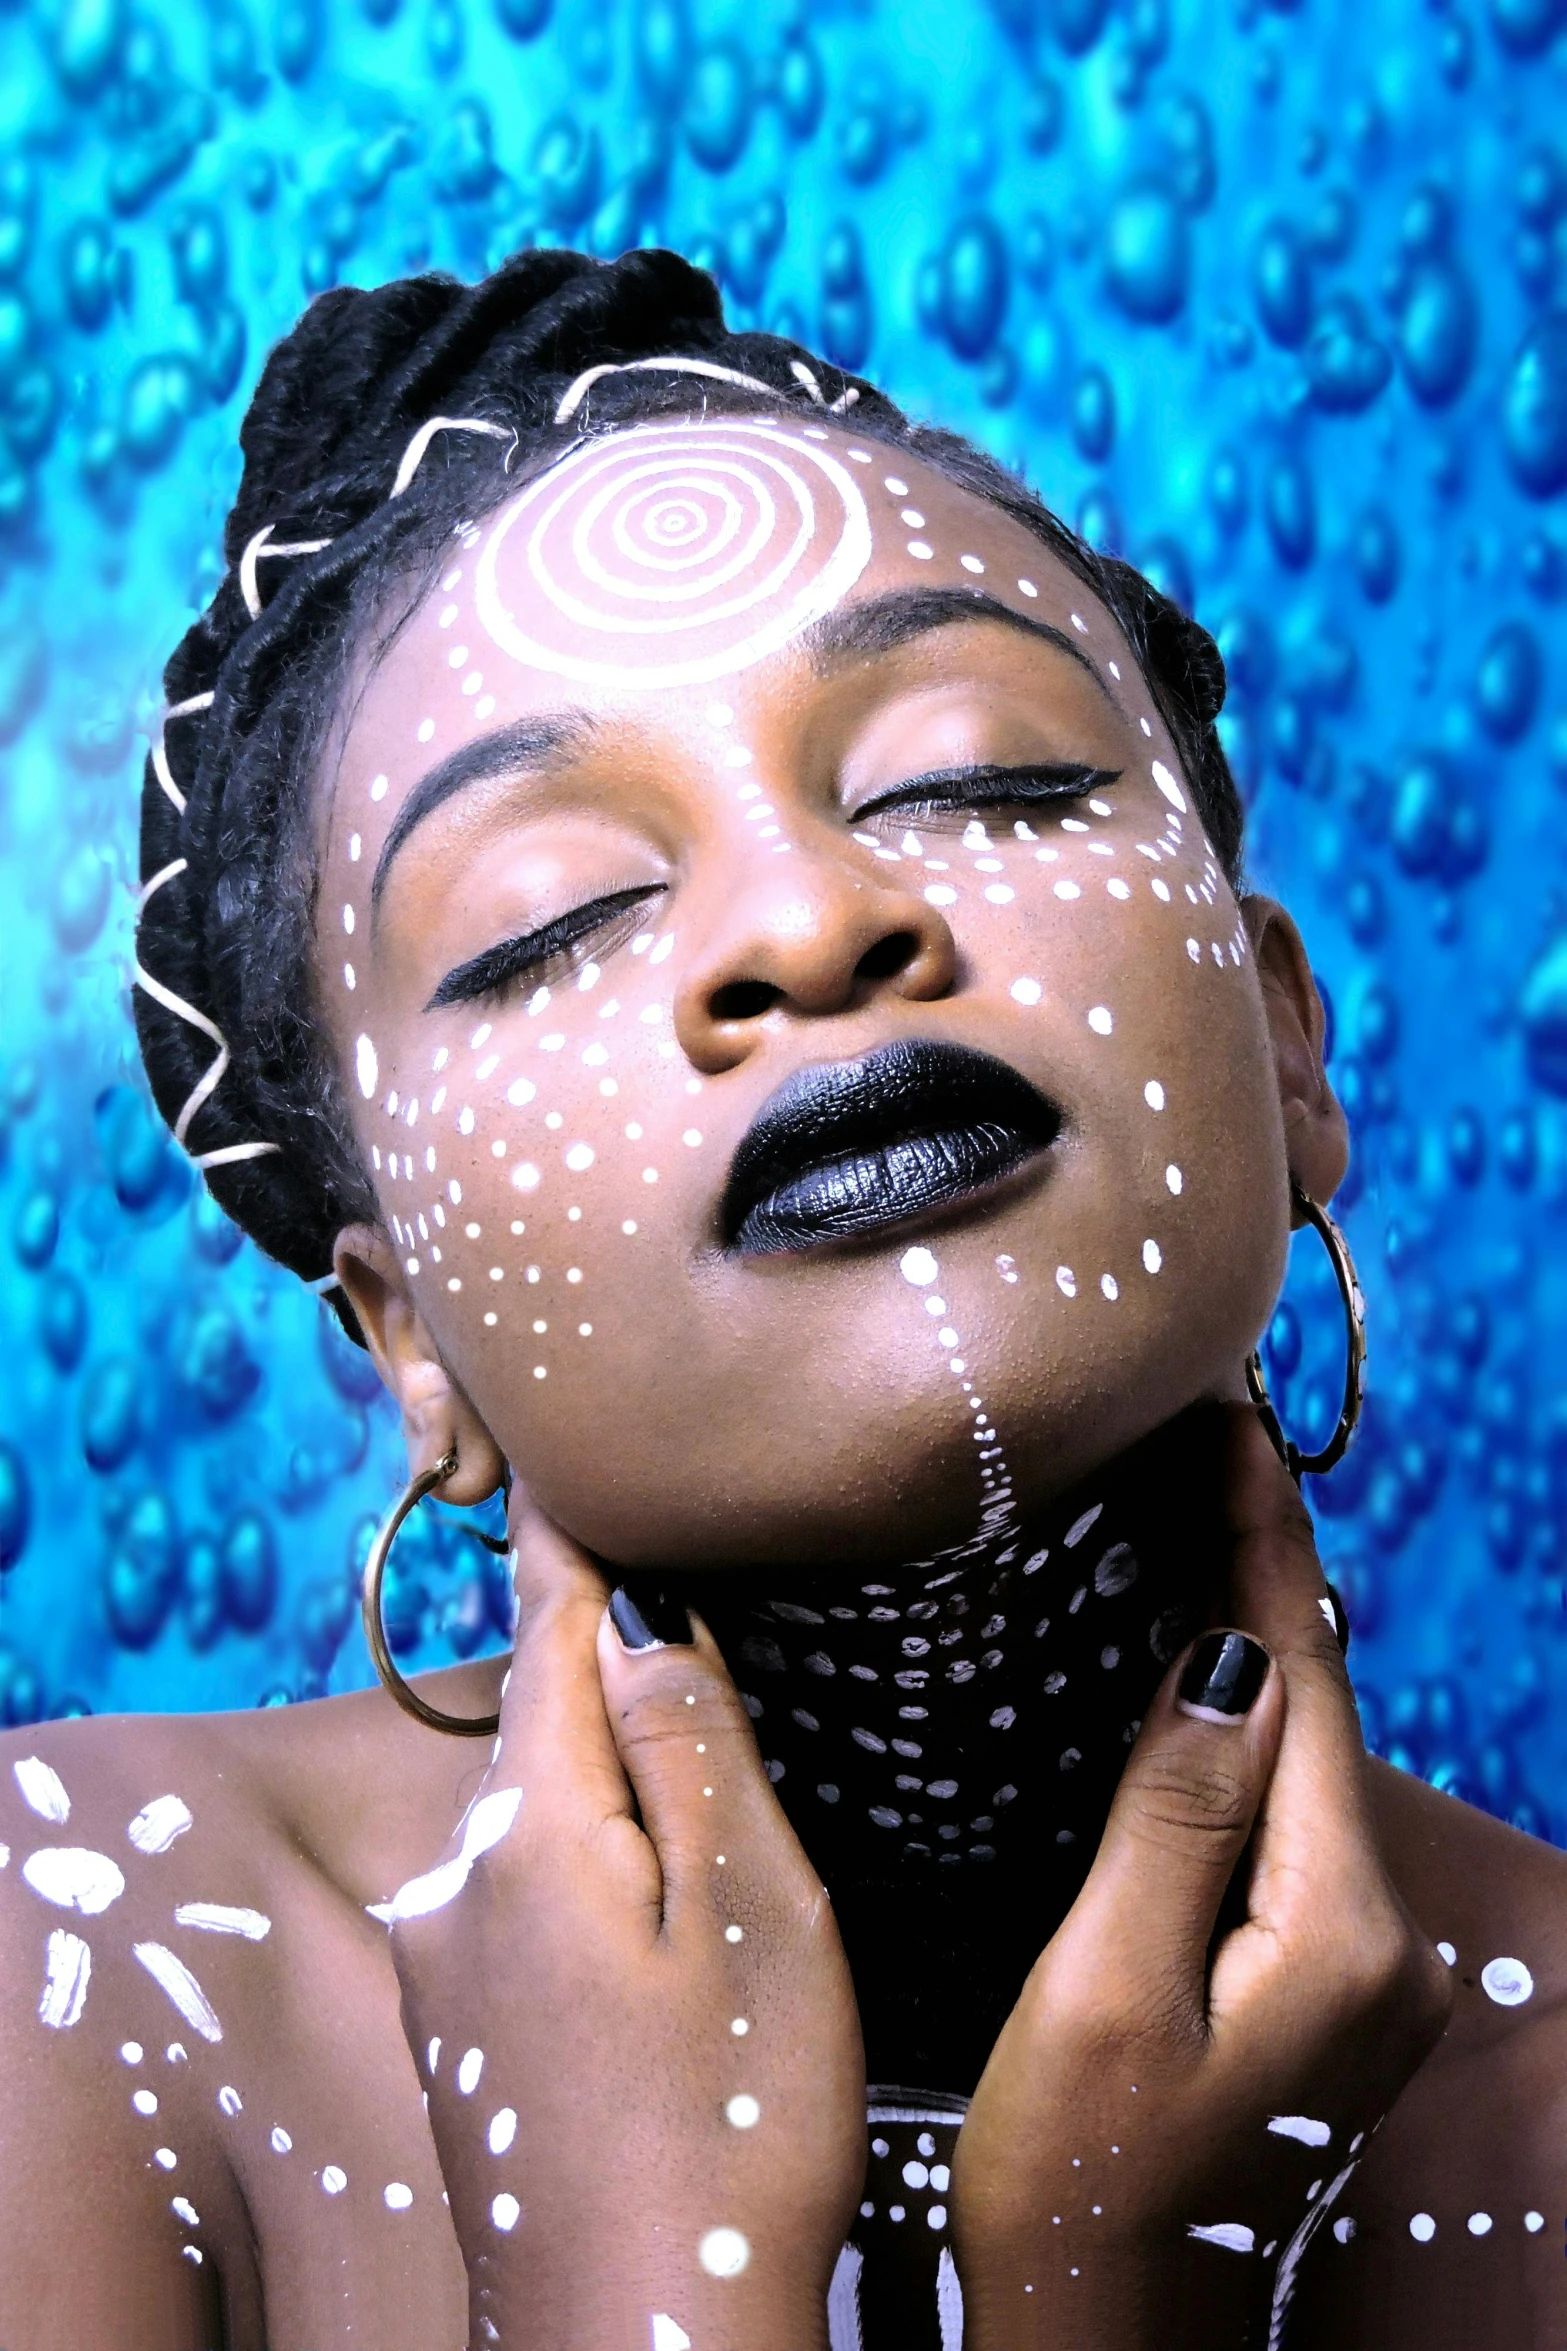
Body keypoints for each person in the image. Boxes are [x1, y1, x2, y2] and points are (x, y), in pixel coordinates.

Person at [0, 245, 1557, 2351]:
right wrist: (662, 2292)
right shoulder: (82, 1965)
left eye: (980, 778)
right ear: (406, 1335)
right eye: (556, 914)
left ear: (1290, 1044)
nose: (815, 920)